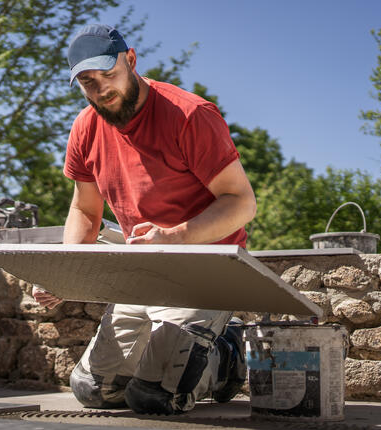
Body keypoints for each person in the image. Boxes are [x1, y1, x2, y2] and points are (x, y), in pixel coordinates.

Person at [32, 24, 257, 415]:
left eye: (109, 75)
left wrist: (176, 235)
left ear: (131, 61)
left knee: (154, 398)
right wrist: (64, 272)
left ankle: (226, 354)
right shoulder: (86, 127)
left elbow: (241, 202)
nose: (101, 89)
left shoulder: (190, 115)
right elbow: (85, 209)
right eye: (88, 82)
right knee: (92, 391)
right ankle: (180, 355)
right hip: (142, 268)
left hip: (205, 267)